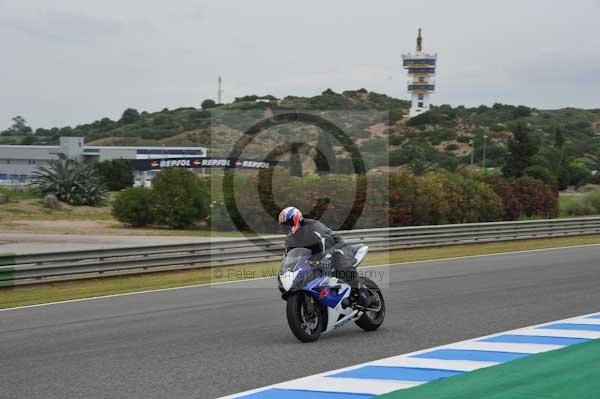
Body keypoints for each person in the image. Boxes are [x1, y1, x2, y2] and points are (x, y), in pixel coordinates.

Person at [278, 206, 371, 306]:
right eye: (284, 225)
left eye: (288, 224)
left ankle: (360, 292)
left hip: (336, 246)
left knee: (342, 266)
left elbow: (325, 241)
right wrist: (285, 269)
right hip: (314, 257)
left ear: (296, 219)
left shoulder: (312, 226)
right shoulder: (290, 239)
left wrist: (325, 257)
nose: (286, 227)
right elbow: (288, 256)